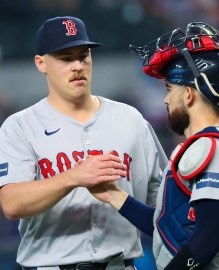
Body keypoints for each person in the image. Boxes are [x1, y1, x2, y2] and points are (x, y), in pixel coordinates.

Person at [86, 22, 219, 270]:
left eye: (169, 89)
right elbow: (169, 226)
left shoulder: (214, 150)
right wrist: (115, 196)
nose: (166, 99)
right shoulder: (199, 148)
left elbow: (209, 237)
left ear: (188, 94)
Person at [0, 16, 168, 270]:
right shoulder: (20, 126)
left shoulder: (131, 120)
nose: (77, 65)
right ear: (41, 63)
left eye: (84, 55)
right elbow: (11, 204)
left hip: (120, 264)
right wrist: (73, 177)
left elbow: (165, 201)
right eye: (66, 58)